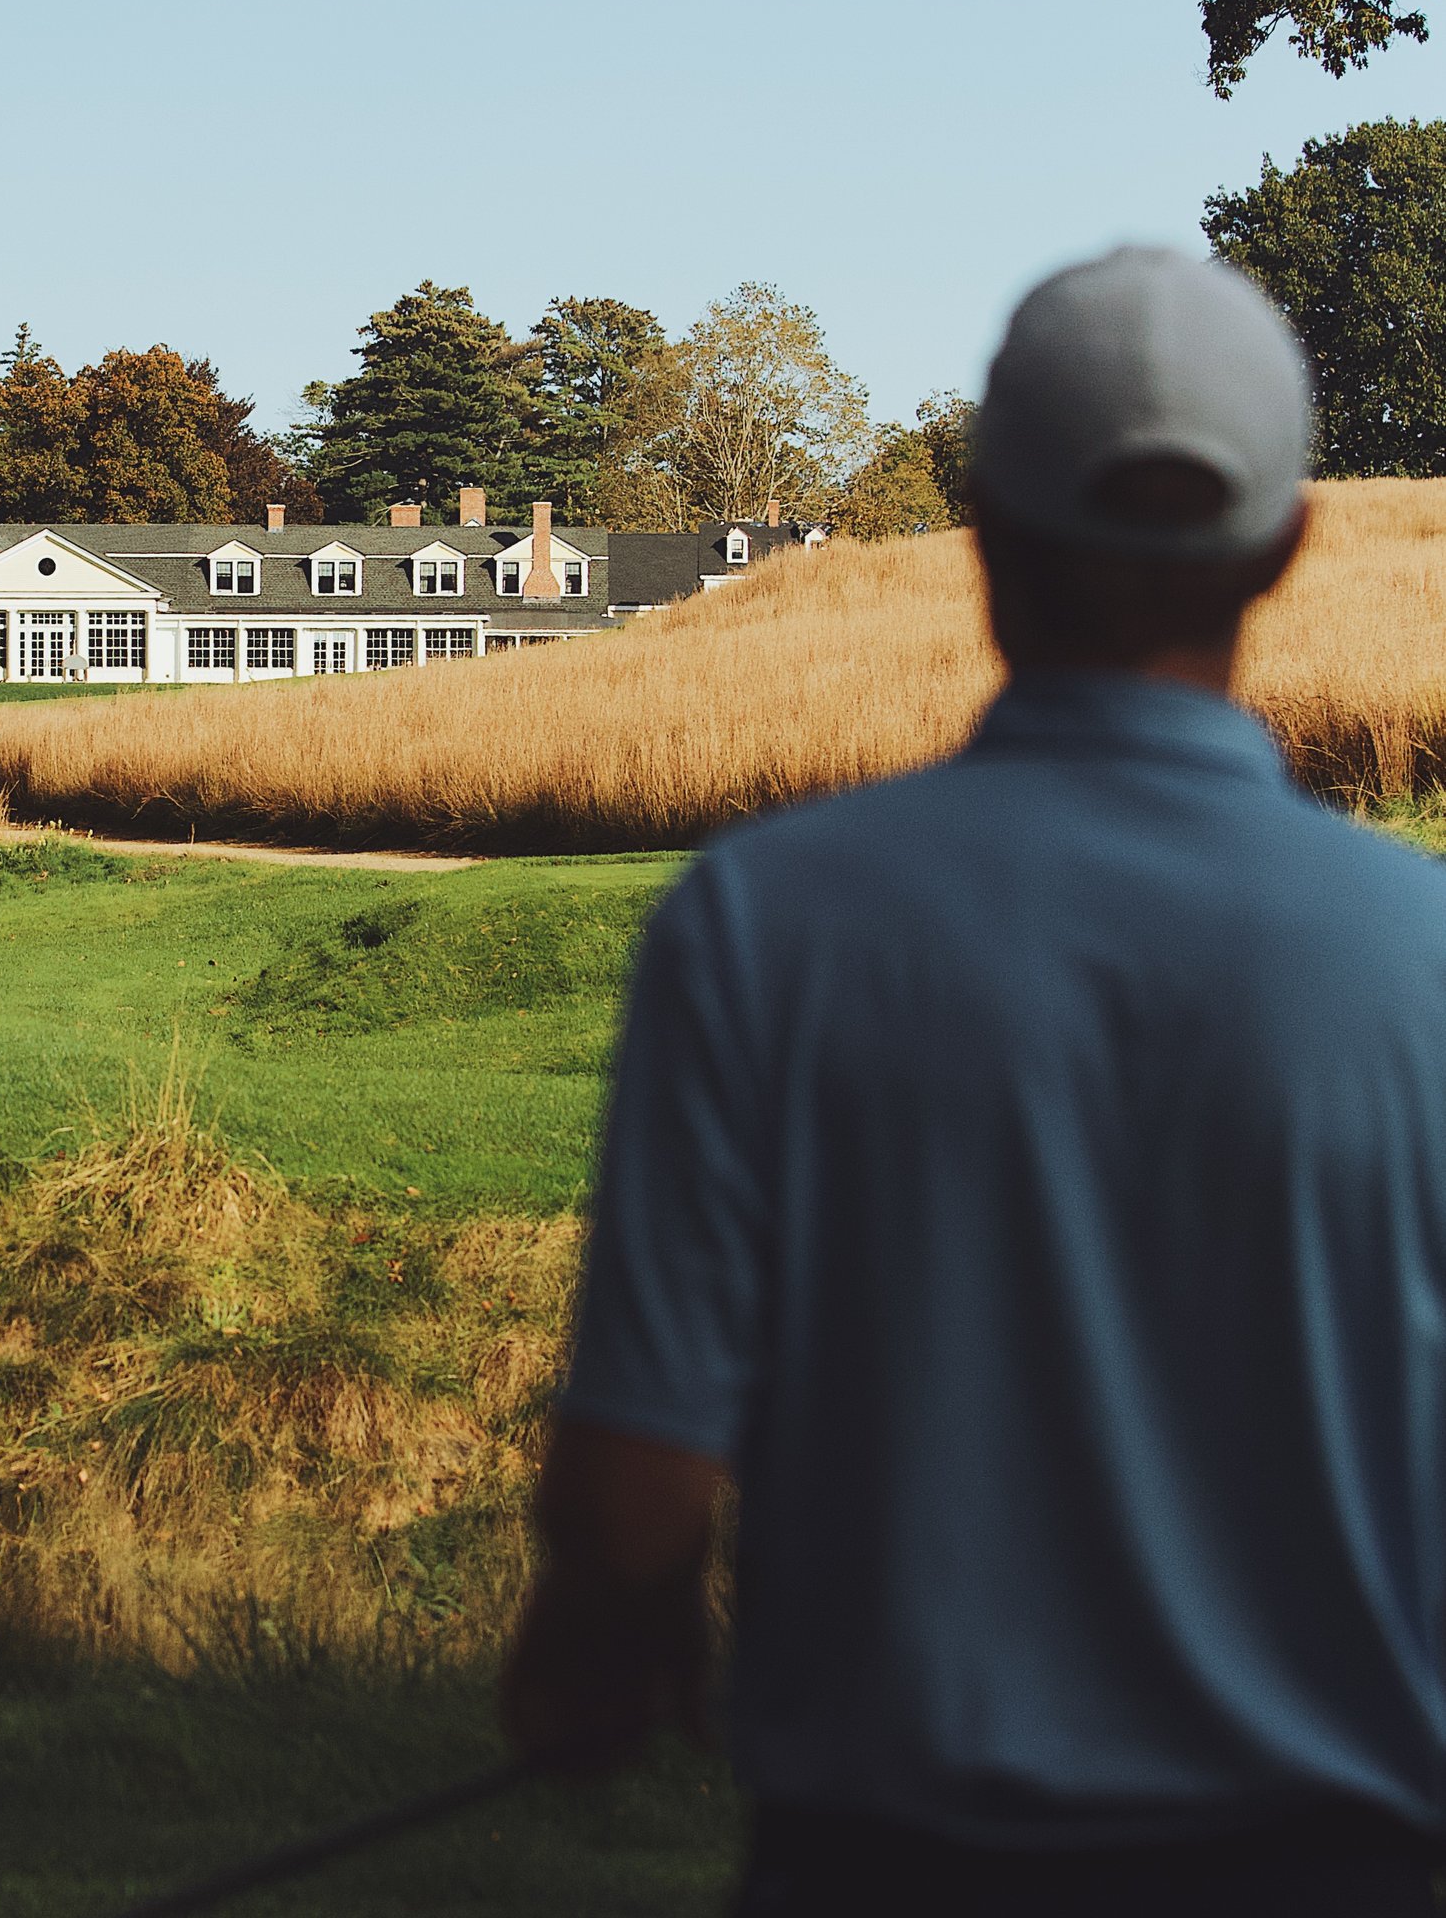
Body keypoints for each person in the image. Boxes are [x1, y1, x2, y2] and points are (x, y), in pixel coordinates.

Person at [504, 246, 1446, 1916]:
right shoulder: (1424, 953)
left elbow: (632, 1499)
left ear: (986, 528)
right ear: (1286, 545)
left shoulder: (764, 928)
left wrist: (604, 1643)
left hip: (888, 1867)